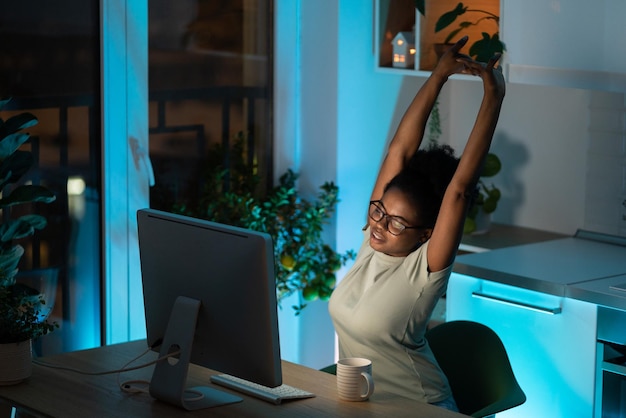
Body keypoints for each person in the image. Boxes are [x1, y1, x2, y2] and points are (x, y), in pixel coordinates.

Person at [328, 36, 506, 412]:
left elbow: (458, 190)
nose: (379, 223)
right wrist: (437, 75)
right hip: (368, 406)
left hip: (421, 407)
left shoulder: (425, 268)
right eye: (379, 210)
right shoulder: (372, 241)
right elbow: (399, 152)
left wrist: (493, 98)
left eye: (396, 222)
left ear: (426, 233)